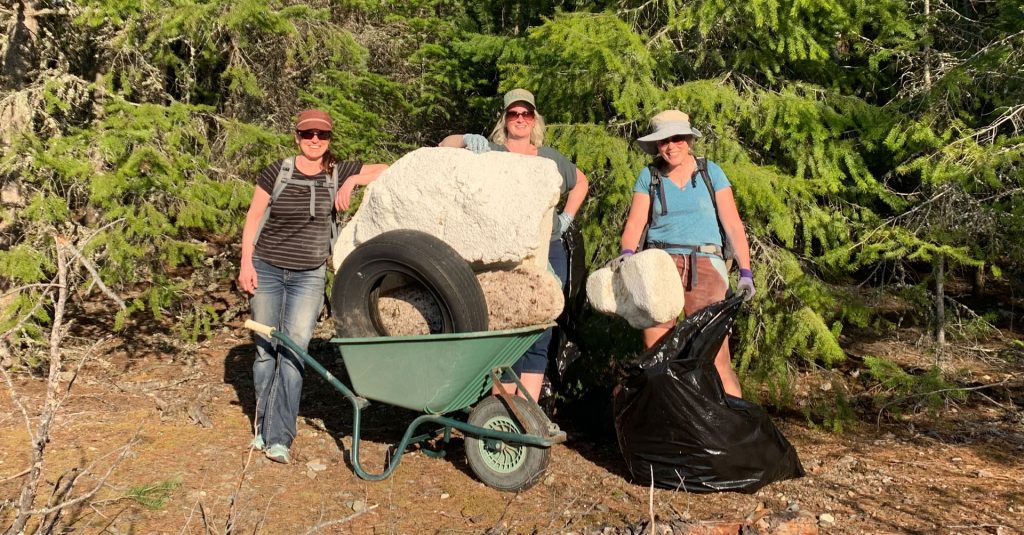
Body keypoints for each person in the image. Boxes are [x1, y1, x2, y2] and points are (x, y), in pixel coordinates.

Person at [237, 109, 388, 463]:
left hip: (309, 275)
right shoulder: (278, 171)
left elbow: (388, 168)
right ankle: (261, 427)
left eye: (322, 135)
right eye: (308, 135)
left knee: (293, 352)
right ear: (297, 137)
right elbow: (254, 216)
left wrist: (353, 182)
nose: (315, 141)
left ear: (330, 139)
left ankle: (279, 438)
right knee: (264, 351)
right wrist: (246, 262)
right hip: (268, 269)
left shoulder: (338, 171)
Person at [439, 88, 589, 402]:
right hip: (505, 252)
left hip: (547, 250)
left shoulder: (549, 158)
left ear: (534, 120)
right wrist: (467, 138)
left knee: (540, 324)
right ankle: (501, 406)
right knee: (505, 323)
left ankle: (526, 410)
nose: (520, 119)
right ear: (505, 119)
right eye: (513, 114)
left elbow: (582, 182)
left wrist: (566, 219)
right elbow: (444, 147)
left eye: (526, 114)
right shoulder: (491, 152)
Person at [618, 110, 754, 398]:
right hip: (659, 266)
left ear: (689, 140)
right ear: (656, 145)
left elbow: (732, 222)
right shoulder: (649, 176)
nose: (671, 146)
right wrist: (627, 255)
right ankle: (666, 431)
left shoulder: (710, 172)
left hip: (706, 263)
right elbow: (635, 222)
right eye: (664, 141)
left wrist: (745, 271)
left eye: (677, 138)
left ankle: (732, 429)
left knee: (716, 357)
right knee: (657, 355)